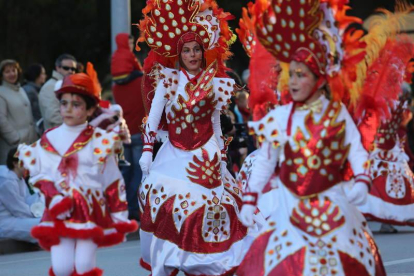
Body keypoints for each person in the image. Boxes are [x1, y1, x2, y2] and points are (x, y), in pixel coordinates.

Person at [237, 0, 386, 275]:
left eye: (301, 75)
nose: (292, 82)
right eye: (290, 74)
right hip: (289, 209)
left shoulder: (336, 113)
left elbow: (356, 151)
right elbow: (265, 162)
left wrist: (363, 182)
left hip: (334, 207)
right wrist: (249, 199)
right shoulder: (281, 118)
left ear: (319, 78)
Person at [136, 1, 256, 275]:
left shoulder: (216, 83)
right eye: (186, 50)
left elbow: (215, 122)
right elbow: (153, 120)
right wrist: (146, 150)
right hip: (173, 154)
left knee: (208, 208)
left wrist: (222, 158)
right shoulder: (167, 80)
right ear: (179, 54)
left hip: (206, 153)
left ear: (204, 52)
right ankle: (171, 259)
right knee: (165, 203)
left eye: (196, 49)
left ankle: (204, 264)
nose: (192, 54)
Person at [18, 63, 137, 276]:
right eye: (64, 103)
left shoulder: (100, 140)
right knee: (62, 268)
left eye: (76, 104)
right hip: (59, 210)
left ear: (90, 109)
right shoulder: (49, 138)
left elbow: (112, 179)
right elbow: (39, 174)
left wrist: (120, 214)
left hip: (90, 211)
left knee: (84, 266)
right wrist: (54, 197)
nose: (68, 109)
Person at [111, 33, 145, 221]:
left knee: (126, 171)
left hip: (124, 133)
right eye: (130, 42)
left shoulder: (115, 86)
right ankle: (134, 209)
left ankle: (123, 208)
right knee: (139, 173)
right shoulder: (141, 82)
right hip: (139, 132)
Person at [0, 147, 43, 243]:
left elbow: (30, 199)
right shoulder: (6, 180)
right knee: (44, 225)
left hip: (17, 217)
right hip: (5, 223)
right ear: (15, 163)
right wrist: (38, 216)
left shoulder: (19, 177)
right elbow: (17, 210)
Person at [0, 59, 38, 165]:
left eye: (14, 70)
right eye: (7, 71)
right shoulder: (1, 93)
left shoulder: (20, 90)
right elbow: (1, 119)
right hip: (13, 147)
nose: (12, 74)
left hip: (29, 145)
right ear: (1, 75)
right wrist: (15, 138)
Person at [39, 54, 77, 131]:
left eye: (73, 69)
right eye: (66, 68)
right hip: (57, 135)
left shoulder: (67, 85)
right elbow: (53, 116)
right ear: (57, 68)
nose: (70, 71)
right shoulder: (50, 87)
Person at [22, 63, 47, 128]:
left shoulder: (37, 90)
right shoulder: (29, 91)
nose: (45, 76)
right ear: (37, 74)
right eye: (43, 73)